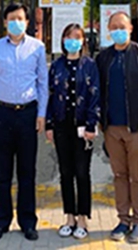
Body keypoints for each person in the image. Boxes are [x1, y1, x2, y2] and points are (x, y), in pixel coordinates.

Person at [0, 3, 48, 242]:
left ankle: (28, 222)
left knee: (27, 172)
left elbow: (42, 83)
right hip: (2, 113)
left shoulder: (37, 47)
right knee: (2, 173)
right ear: (5, 22)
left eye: (20, 18)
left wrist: (42, 114)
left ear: (27, 22)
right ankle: (1, 222)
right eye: (12, 18)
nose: (16, 22)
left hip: (28, 113)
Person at [96, 11, 138, 244]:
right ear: (109, 31)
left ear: (130, 29)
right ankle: (123, 219)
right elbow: (97, 90)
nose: (118, 30)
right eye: (114, 27)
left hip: (137, 126)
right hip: (111, 128)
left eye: (122, 26)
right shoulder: (103, 58)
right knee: (119, 175)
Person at [45, 23, 100, 240]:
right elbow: (50, 95)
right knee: (65, 172)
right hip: (61, 126)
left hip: (82, 126)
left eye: (77, 37)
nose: (73, 41)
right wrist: (49, 124)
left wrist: (92, 124)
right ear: (63, 40)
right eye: (69, 37)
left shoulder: (90, 65)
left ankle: (83, 218)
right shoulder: (56, 65)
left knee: (82, 172)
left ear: (83, 40)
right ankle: (69, 216)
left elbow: (95, 95)